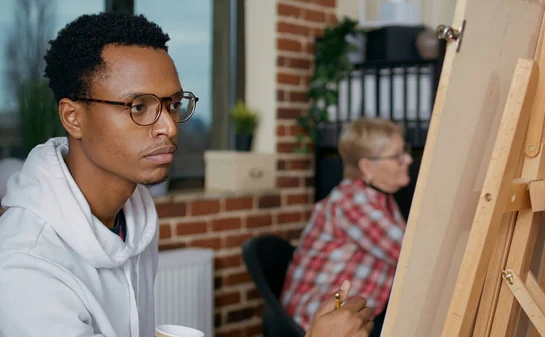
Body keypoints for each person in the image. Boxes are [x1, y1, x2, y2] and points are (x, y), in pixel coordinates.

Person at [0, 11, 374, 337]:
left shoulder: (135, 217)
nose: (169, 127)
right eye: (139, 106)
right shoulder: (26, 271)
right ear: (73, 117)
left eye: (173, 104)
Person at [280, 117, 413, 337]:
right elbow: (412, 256)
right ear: (367, 166)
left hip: (358, 315)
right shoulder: (352, 202)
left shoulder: (382, 199)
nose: (408, 159)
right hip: (319, 322)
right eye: (397, 155)